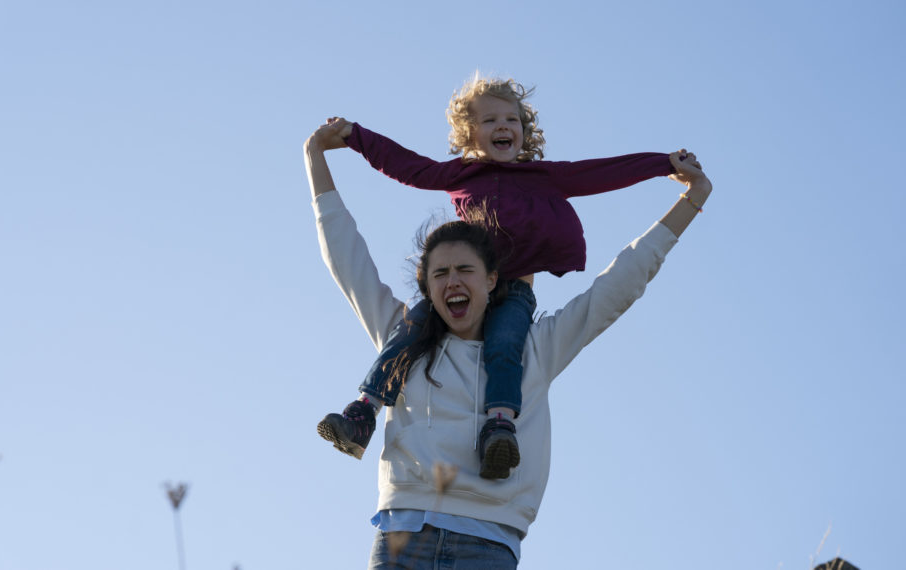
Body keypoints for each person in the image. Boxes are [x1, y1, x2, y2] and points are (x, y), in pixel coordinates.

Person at [305, 119, 712, 568]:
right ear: (427, 287)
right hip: (404, 536)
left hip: (488, 546)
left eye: (465, 270)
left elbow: (620, 283)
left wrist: (691, 200)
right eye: (440, 274)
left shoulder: (533, 350)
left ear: (492, 280)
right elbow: (346, 255)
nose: (453, 281)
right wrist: (316, 158)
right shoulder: (401, 339)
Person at [318, 76, 679, 480]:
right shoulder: (459, 175)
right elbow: (408, 167)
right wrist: (355, 135)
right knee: (411, 328)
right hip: (462, 291)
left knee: (506, 345)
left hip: (512, 294)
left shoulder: (546, 177)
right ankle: (364, 412)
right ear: (469, 133)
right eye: (490, 120)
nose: (504, 126)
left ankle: (499, 428)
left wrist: (663, 164)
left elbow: (602, 172)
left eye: (512, 119)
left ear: (525, 131)